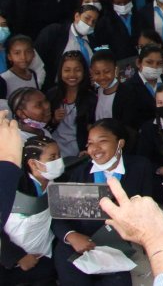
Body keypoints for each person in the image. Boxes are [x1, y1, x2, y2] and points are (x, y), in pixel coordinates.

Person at [51, 119, 155, 286]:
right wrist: (71, 236)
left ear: (120, 143)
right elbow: (58, 217)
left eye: (102, 141)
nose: (94, 148)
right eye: (90, 143)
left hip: (116, 248)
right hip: (78, 245)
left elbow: (148, 207)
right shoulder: (79, 172)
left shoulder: (140, 167)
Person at [2, 136, 59, 284]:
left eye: (59, 156)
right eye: (52, 158)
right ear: (33, 163)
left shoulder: (61, 182)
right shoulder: (11, 185)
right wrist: (17, 257)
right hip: (9, 261)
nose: (58, 161)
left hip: (43, 258)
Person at [46, 51, 93, 158]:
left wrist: (86, 148)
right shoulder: (52, 95)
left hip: (79, 151)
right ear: (60, 72)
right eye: (67, 70)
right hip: (54, 149)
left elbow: (93, 127)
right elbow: (43, 125)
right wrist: (54, 120)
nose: (72, 74)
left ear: (84, 72)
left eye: (77, 70)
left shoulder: (91, 98)